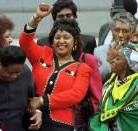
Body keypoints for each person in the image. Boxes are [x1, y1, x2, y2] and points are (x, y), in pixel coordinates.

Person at [19, 3, 92, 131]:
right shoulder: (42, 54)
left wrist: (42, 100)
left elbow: (76, 95)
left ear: (75, 43)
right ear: (52, 42)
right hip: (30, 119)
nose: (61, 41)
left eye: (66, 37)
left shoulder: (82, 68)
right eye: (57, 37)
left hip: (61, 125)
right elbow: (25, 42)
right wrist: (36, 18)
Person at [90, 45, 138, 131]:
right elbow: (99, 112)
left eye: (117, 59)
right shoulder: (109, 85)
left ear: (126, 64)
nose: (112, 61)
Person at [0, 45, 41, 131]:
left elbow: (31, 100)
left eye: (18, 72)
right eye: (10, 73)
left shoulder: (26, 72)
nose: (14, 76)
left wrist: (37, 112)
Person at [94, 12, 137, 83]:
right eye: (117, 30)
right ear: (111, 31)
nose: (120, 35)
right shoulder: (99, 51)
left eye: (125, 31)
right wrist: (108, 62)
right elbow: (95, 80)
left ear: (132, 33)